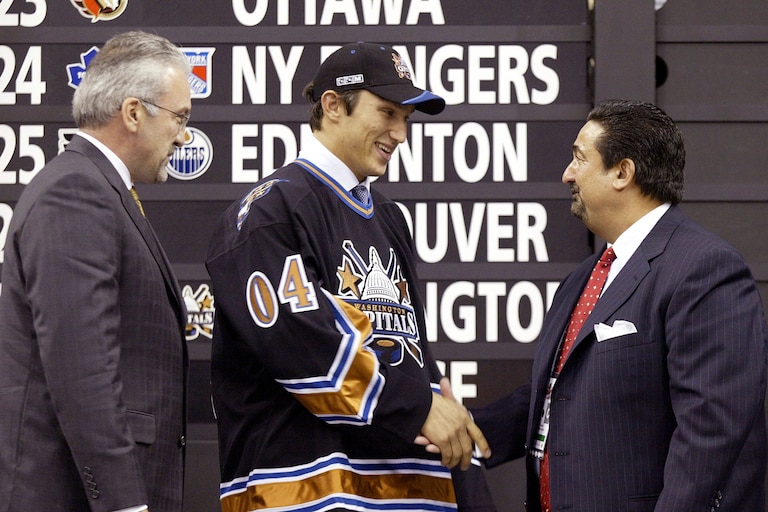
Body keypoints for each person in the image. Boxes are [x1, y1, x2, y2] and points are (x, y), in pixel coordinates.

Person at [206, 42, 496, 511]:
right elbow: (308, 352)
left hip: (407, 492)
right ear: (333, 105)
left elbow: (414, 356)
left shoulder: (387, 215)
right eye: (386, 112)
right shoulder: (267, 211)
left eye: (407, 117)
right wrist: (418, 408)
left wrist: (465, 481)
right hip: (305, 491)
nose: (400, 133)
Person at [474, 99, 768, 512]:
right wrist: (468, 431)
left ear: (622, 172)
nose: (567, 174)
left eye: (579, 158)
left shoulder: (704, 268)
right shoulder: (585, 277)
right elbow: (560, 394)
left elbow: (711, 431)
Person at [0, 31, 191, 512]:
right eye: (180, 117)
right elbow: (82, 369)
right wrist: (124, 504)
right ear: (133, 113)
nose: (185, 135)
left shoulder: (97, 188)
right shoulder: (76, 192)